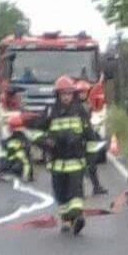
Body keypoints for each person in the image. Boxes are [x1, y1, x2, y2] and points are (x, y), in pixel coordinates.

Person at [43, 75, 96, 233]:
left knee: (76, 193)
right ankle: (66, 220)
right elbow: (38, 131)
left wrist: (90, 161)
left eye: (69, 94)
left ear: (73, 94)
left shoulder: (80, 111)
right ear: (58, 95)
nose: (66, 97)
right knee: (60, 193)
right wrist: (47, 141)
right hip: (57, 162)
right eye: (63, 94)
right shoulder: (50, 111)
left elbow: (90, 136)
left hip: (75, 161)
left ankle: (78, 217)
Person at [76, 79, 109, 195]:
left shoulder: (88, 104)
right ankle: (79, 189)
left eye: (85, 92)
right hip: (79, 138)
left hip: (89, 136)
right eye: (80, 92)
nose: (83, 94)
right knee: (79, 165)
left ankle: (96, 186)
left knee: (92, 163)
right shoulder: (76, 106)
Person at [0, 113, 34, 182]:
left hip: (16, 161)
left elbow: (5, 148)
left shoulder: (15, 139)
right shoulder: (23, 138)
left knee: (5, 157)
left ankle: (1, 172)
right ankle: (2, 171)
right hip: (16, 161)